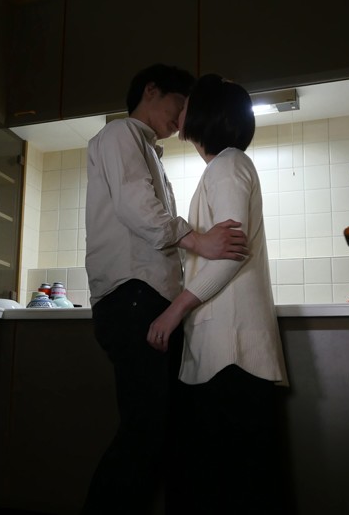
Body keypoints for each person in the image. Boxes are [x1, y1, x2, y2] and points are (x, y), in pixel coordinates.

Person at [81, 64, 249, 515]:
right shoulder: (121, 133)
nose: (181, 117)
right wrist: (200, 241)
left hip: (142, 299)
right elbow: (138, 208)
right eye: (179, 103)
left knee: (154, 432)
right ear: (151, 91)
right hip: (132, 298)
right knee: (144, 431)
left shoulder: (147, 150)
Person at [146, 73, 289, 514]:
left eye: (188, 104)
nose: (180, 110)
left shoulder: (227, 165)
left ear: (206, 112)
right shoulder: (225, 167)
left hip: (232, 352)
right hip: (227, 351)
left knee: (231, 486)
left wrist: (173, 312)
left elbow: (230, 254)